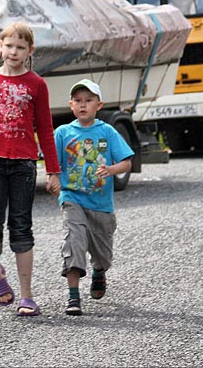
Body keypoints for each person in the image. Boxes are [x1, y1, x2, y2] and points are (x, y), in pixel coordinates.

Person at [0, 21, 61, 317]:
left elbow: (45, 129)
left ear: (30, 51)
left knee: (21, 227)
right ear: (0, 47)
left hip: (24, 166)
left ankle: (28, 296)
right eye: (9, 46)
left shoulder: (37, 85)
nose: (13, 51)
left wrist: (53, 170)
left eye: (20, 47)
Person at [53, 79, 133, 316]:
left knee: (103, 255)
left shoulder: (107, 132)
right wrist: (53, 177)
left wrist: (111, 169)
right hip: (72, 198)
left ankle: (99, 270)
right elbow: (52, 164)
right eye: (78, 101)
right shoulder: (63, 133)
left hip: (101, 204)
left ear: (99, 105)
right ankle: (73, 296)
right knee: (73, 241)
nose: (83, 105)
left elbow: (127, 162)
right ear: (70, 105)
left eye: (88, 100)